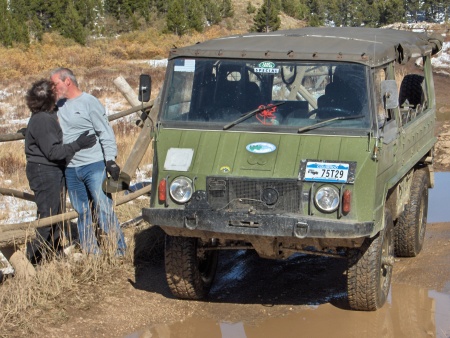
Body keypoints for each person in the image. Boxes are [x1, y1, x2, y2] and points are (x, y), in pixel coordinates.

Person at [50, 68, 126, 255]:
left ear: (67, 81)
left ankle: (119, 250)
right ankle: (91, 251)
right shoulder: (57, 105)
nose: (53, 88)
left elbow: (104, 131)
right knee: (81, 211)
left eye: (55, 83)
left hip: (93, 164)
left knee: (103, 206)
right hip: (70, 167)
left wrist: (110, 160)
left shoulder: (89, 102)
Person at [24, 79, 97, 264]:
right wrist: (79, 144)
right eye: (54, 92)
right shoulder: (43, 120)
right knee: (47, 217)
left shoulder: (44, 116)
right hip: (45, 171)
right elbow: (53, 152)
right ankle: (31, 260)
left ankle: (51, 254)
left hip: (49, 171)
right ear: (49, 99)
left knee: (55, 214)